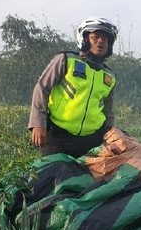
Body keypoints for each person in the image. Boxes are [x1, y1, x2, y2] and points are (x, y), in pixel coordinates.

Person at [29, 17, 118, 157]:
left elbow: (108, 110)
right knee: (54, 176)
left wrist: (110, 134)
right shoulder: (66, 60)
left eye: (105, 39)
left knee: (90, 179)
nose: (101, 41)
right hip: (58, 137)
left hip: (92, 141)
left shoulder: (109, 76)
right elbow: (42, 88)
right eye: (96, 37)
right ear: (85, 39)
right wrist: (38, 124)